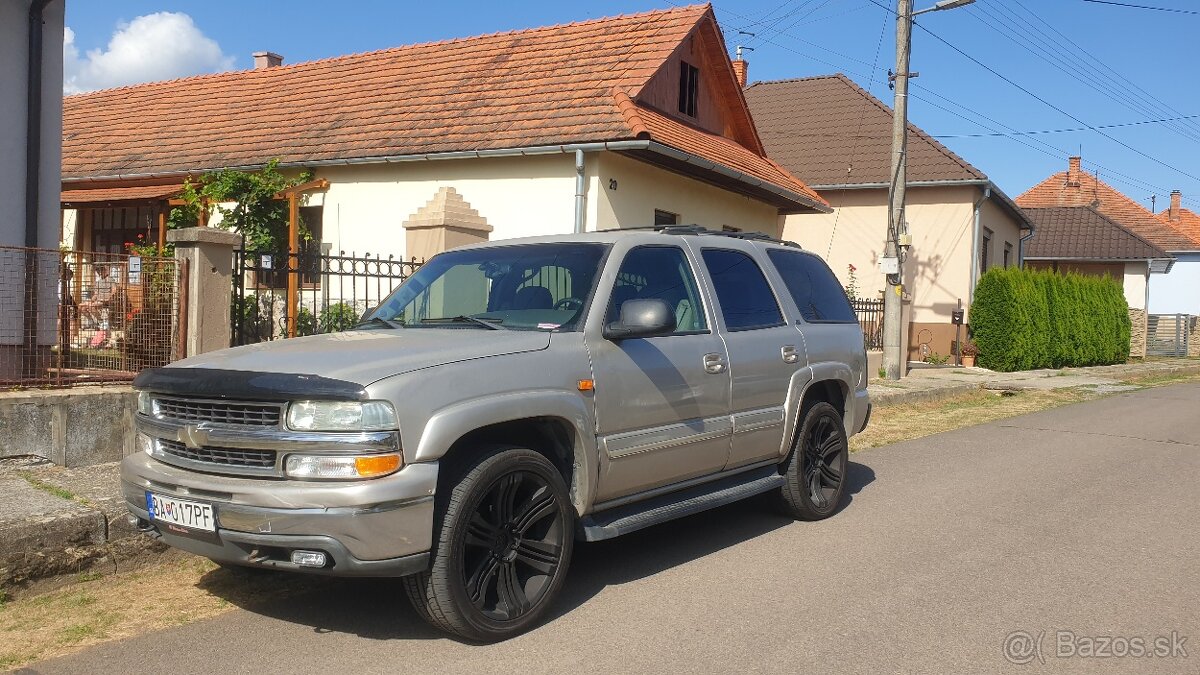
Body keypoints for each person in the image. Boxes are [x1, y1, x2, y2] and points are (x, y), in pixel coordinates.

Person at [79, 263, 115, 329]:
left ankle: (101, 322)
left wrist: (109, 297)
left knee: (91, 306)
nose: (99, 272)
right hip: (98, 300)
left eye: (100, 270)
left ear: (104, 270)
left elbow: (114, 290)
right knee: (81, 306)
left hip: (106, 300)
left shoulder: (110, 279)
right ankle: (91, 322)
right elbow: (96, 294)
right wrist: (91, 300)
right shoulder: (98, 282)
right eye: (98, 271)